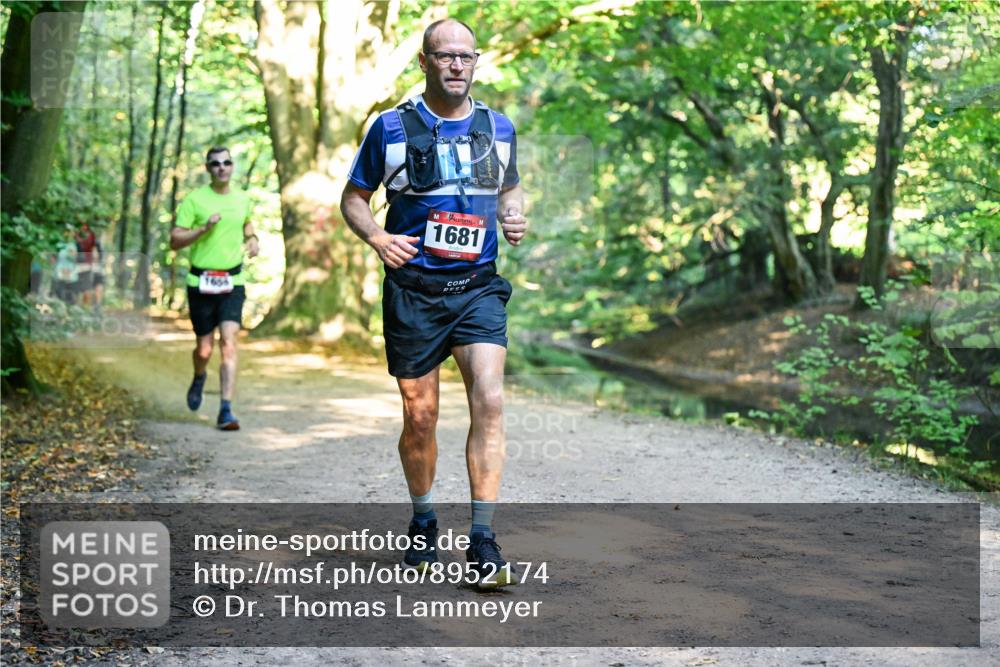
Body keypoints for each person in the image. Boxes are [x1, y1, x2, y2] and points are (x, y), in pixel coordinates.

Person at [341, 19, 528, 589]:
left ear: (476, 62)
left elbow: (510, 187)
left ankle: (484, 540)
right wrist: (377, 237)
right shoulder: (391, 128)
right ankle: (424, 520)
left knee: (490, 401)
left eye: (465, 57)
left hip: (477, 289)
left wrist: (514, 214)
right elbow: (354, 199)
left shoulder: (499, 127)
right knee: (420, 416)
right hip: (414, 292)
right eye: (444, 57)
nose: (455, 66)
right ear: (424, 62)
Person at [170, 147, 259, 430]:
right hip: (201, 282)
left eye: (227, 162)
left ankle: (226, 410)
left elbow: (247, 224)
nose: (222, 167)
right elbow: (175, 240)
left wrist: (253, 238)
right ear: (208, 169)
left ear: (233, 167)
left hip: (233, 282)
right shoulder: (195, 200)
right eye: (215, 164)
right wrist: (203, 230)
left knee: (229, 343)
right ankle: (199, 376)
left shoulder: (243, 199)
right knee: (205, 349)